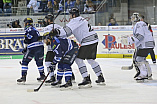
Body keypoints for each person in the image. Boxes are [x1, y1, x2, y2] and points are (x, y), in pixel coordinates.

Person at [50, 7, 105, 88]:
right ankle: (100, 77)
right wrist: (58, 33)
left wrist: (57, 32)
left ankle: (86, 79)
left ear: (74, 15)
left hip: (87, 41)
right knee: (90, 59)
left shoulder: (75, 20)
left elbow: (67, 30)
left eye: (70, 14)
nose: (70, 16)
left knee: (78, 59)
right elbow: (68, 33)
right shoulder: (81, 19)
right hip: (94, 39)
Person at [121, 13, 155, 82]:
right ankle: (148, 74)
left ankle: (143, 75)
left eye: (133, 18)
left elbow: (140, 36)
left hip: (144, 45)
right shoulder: (142, 24)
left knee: (139, 59)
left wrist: (130, 40)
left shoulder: (139, 24)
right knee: (142, 59)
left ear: (137, 18)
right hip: (149, 44)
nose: (132, 19)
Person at [17, 18, 45, 84]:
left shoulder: (28, 29)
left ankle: (23, 77)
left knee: (25, 62)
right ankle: (42, 75)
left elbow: (28, 39)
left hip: (33, 47)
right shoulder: (35, 29)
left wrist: (26, 45)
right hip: (40, 46)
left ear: (26, 23)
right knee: (39, 62)